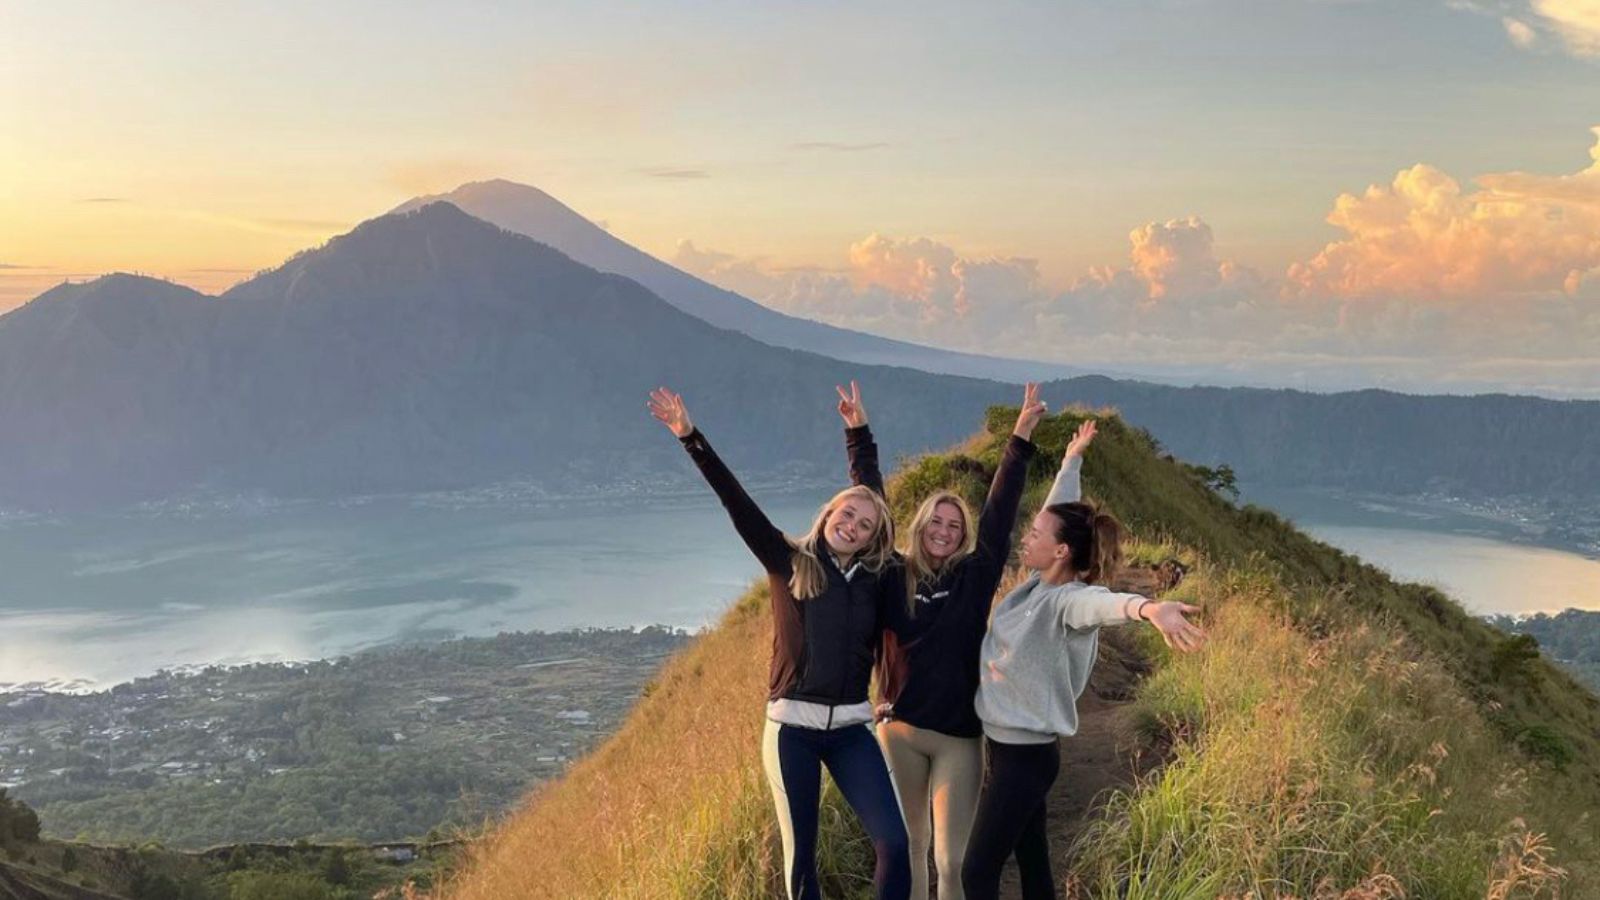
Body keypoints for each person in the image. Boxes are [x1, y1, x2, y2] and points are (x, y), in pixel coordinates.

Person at [647, 387, 911, 900]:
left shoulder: (875, 575)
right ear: (827, 512)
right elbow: (737, 503)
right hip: (792, 730)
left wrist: (858, 435)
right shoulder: (788, 562)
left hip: (854, 729)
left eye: (863, 524)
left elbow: (872, 495)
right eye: (845, 515)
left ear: (873, 536)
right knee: (802, 867)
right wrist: (690, 437)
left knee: (895, 844)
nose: (852, 525)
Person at [836, 381, 1094, 900]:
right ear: (920, 525)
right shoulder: (894, 573)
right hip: (899, 731)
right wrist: (858, 434)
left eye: (954, 524)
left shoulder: (975, 578)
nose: (944, 530)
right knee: (908, 847)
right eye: (936, 520)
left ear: (963, 533)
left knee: (952, 862)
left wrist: (1020, 437)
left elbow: (1000, 513)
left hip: (960, 737)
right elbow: (872, 502)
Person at [960, 441, 1206, 900]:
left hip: (1025, 759)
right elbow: (1057, 510)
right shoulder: (1034, 586)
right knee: (1033, 861)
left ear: (1061, 552)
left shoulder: (1067, 601)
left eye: (1036, 534)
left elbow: (1102, 605)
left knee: (976, 873)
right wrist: (1071, 461)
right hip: (1011, 751)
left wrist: (1148, 609)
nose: (1027, 538)